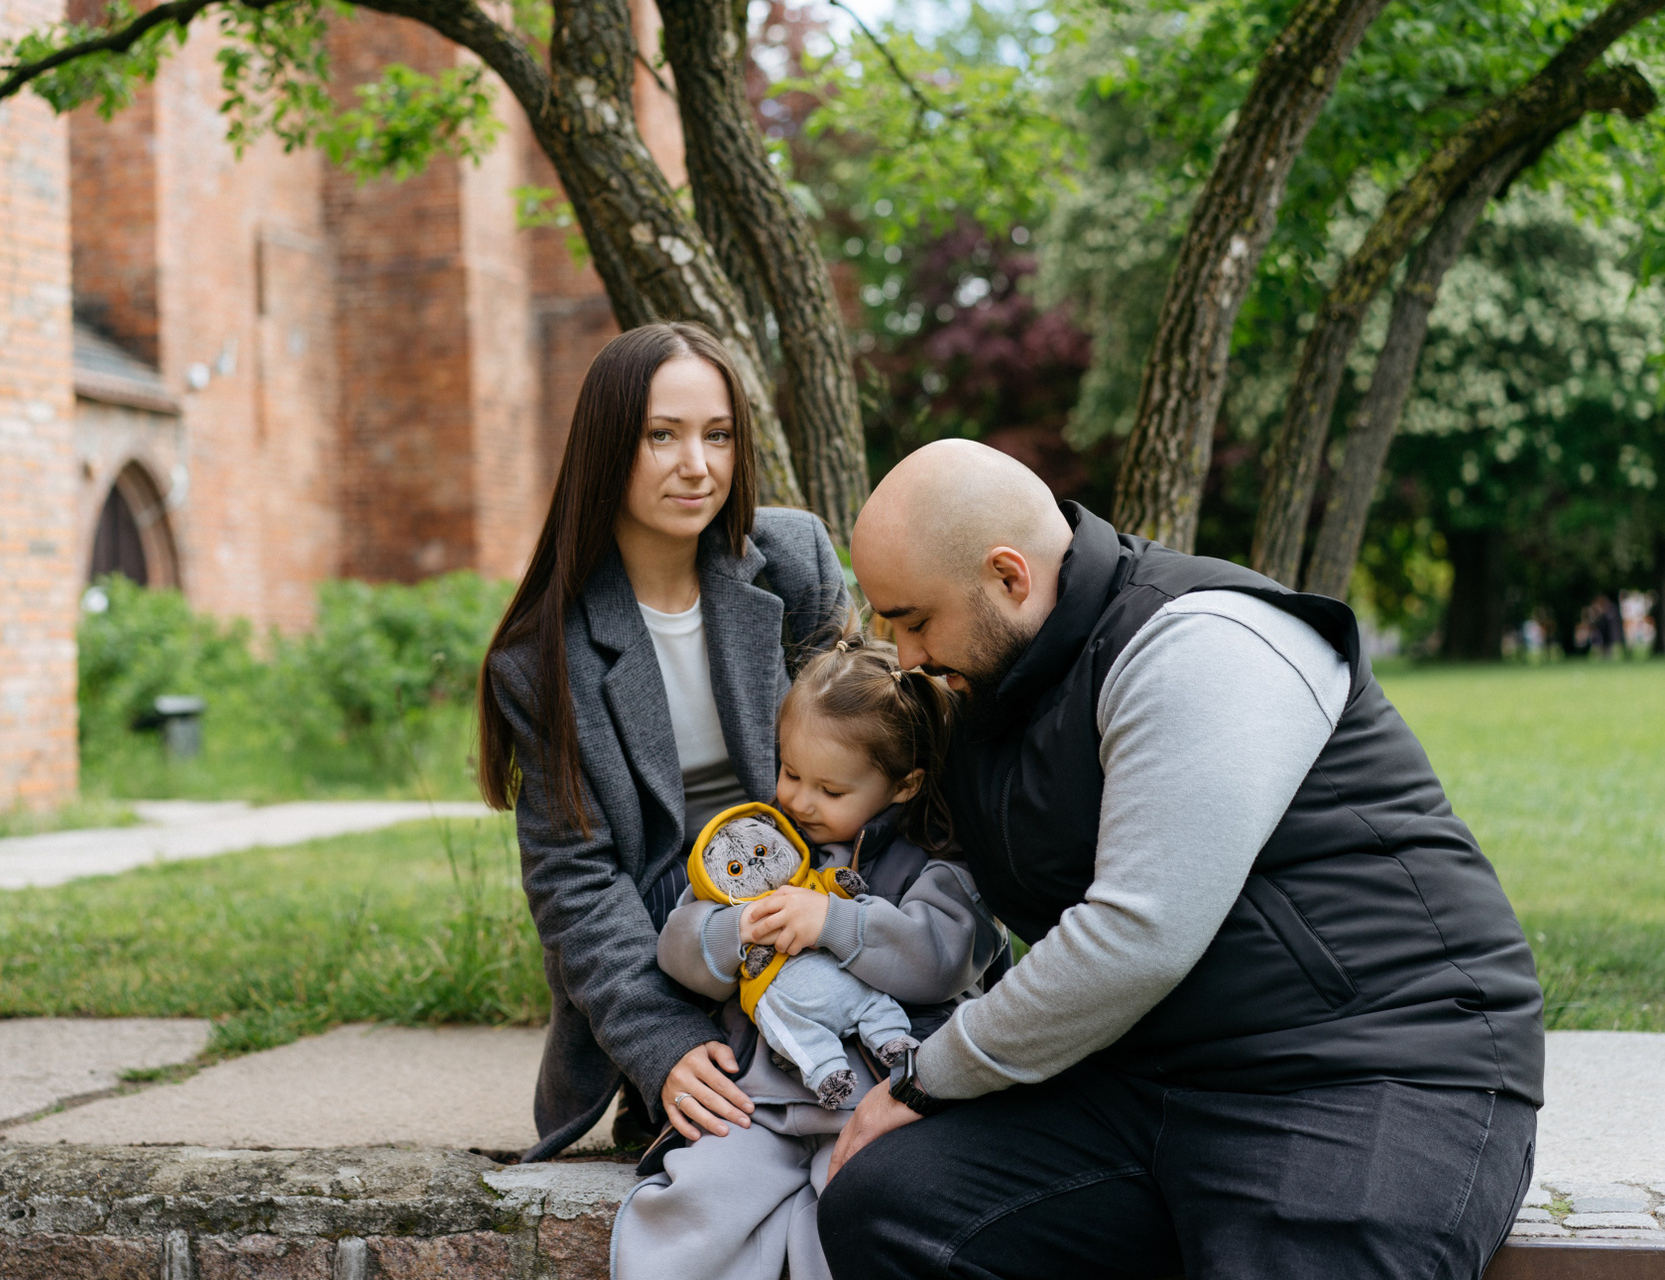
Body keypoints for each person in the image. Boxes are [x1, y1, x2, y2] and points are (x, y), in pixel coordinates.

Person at [822, 439, 1544, 1279]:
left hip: (1370, 1066)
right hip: (1140, 1081)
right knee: (890, 1208)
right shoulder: (988, 684)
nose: (907, 655)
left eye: (915, 621)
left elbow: (1138, 936)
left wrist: (927, 1079)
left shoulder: (1202, 641)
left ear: (1009, 576)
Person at [477, 322, 850, 1161]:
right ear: (609, 446)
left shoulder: (793, 562)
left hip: (823, 897)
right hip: (676, 946)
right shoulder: (543, 659)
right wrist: (662, 1044)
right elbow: (576, 879)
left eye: (718, 435)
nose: (698, 466)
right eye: (662, 436)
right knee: (742, 1141)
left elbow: (877, 752)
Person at [614, 636, 1005, 1280]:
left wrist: (836, 921)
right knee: (700, 1202)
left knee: (859, 1217)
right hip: (758, 1103)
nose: (798, 801)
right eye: (791, 773)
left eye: (829, 789)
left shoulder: (938, 861)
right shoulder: (758, 845)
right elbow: (677, 945)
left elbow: (943, 959)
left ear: (904, 784)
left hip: (879, 1102)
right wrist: (734, 929)